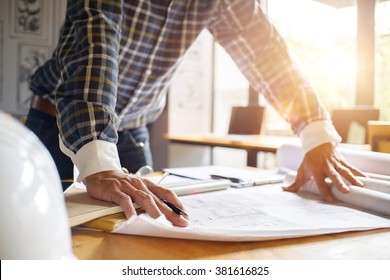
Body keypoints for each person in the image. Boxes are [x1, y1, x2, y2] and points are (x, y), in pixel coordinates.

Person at [25, 0, 365, 227]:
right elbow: (94, 39)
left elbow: (266, 53)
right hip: (55, 124)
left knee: (142, 230)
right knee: (44, 231)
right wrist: (98, 160)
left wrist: (316, 132)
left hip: (133, 130)